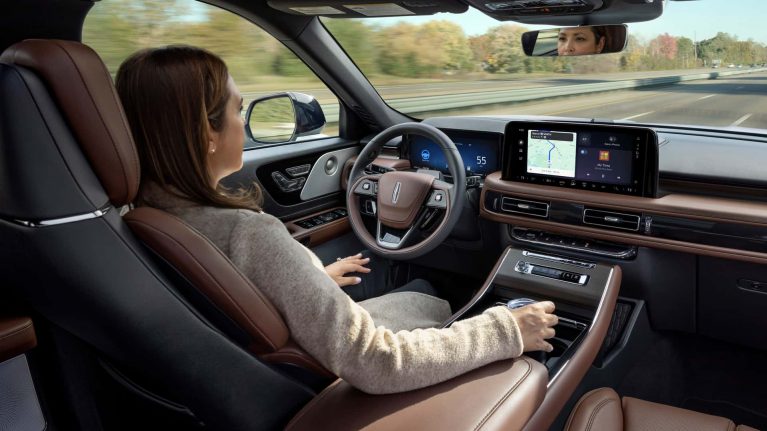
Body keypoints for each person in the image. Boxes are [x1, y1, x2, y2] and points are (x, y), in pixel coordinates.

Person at [116, 45, 558, 394]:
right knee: (431, 296)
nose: (242, 124)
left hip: (259, 363)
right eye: (237, 110)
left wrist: (307, 279)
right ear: (205, 132)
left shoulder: (142, 218)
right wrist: (506, 330)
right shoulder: (248, 232)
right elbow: (376, 361)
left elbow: (228, 297)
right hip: (323, 376)